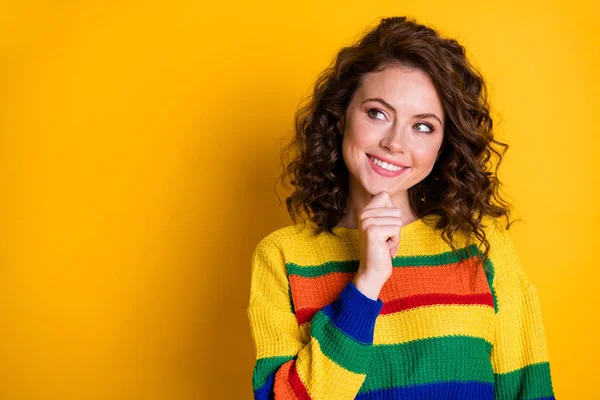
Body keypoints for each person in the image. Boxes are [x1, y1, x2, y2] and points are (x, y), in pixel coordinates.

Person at [247, 16, 556, 400]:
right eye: (377, 113)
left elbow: (530, 391)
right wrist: (366, 283)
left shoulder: (483, 247)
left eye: (422, 126)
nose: (395, 142)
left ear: (444, 143)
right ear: (342, 117)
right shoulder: (282, 256)